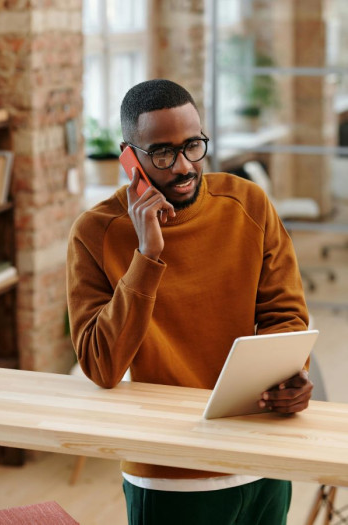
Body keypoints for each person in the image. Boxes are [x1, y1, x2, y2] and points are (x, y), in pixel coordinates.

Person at [67, 79, 313, 525]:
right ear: (130, 158)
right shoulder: (95, 233)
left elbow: (286, 317)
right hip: (169, 478)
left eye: (193, 145)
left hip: (262, 461)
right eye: (162, 153)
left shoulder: (249, 204)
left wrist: (290, 379)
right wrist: (147, 256)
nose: (184, 166)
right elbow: (101, 366)